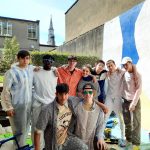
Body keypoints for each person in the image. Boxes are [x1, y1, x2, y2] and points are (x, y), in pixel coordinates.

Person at [34, 83, 88, 150]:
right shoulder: (47, 110)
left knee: (84, 147)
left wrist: (102, 105)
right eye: (61, 94)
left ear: (68, 94)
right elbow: (37, 131)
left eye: (65, 94)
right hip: (54, 144)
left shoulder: (70, 102)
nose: (63, 97)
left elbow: (87, 98)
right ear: (56, 94)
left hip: (67, 139)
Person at [1, 50, 34, 148]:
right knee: (18, 129)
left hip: (28, 104)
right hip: (17, 106)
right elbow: (5, 91)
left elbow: (43, 69)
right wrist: (8, 107)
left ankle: (22, 146)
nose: (25, 60)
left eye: (27, 58)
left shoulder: (30, 70)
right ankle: (18, 147)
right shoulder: (11, 72)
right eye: (22, 58)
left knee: (26, 127)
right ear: (18, 58)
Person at [31, 54, 58, 149]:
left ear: (53, 63)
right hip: (38, 103)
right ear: (42, 61)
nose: (48, 63)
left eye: (50, 61)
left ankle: (48, 146)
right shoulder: (35, 71)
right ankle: (37, 147)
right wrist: (33, 67)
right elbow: (23, 67)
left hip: (51, 104)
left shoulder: (56, 72)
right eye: (46, 61)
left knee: (50, 128)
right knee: (36, 127)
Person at [74, 83, 107, 150]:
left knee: (103, 147)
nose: (88, 94)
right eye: (85, 92)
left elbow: (100, 126)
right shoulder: (76, 107)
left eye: (90, 92)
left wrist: (100, 138)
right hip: (78, 141)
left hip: (91, 140)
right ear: (82, 94)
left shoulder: (99, 110)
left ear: (93, 93)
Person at [102, 59, 126, 147]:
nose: (110, 67)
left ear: (115, 65)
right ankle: (101, 136)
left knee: (120, 119)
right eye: (108, 66)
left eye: (111, 65)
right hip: (108, 98)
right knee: (104, 117)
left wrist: (121, 69)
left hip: (118, 99)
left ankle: (123, 138)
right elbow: (96, 73)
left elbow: (129, 71)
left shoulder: (121, 72)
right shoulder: (107, 74)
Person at [121, 57, 142, 150]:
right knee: (127, 122)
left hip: (135, 101)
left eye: (127, 64)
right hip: (125, 100)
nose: (125, 66)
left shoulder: (137, 75)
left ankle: (136, 143)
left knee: (136, 122)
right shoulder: (123, 73)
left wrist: (133, 103)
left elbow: (139, 89)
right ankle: (128, 139)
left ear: (130, 63)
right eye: (124, 65)